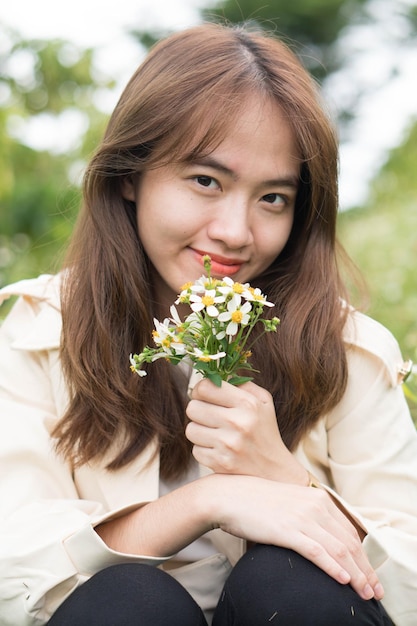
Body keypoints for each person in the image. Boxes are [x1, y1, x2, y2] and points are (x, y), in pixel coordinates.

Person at [0, 22, 416, 626]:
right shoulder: (39, 334)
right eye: (205, 181)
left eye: (273, 198)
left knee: (289, 579)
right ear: (128, 176)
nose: (236, 232)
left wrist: (285, 481)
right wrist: (209, 502)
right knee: (129, 601)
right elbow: (12, 561)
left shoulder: (349, 351)